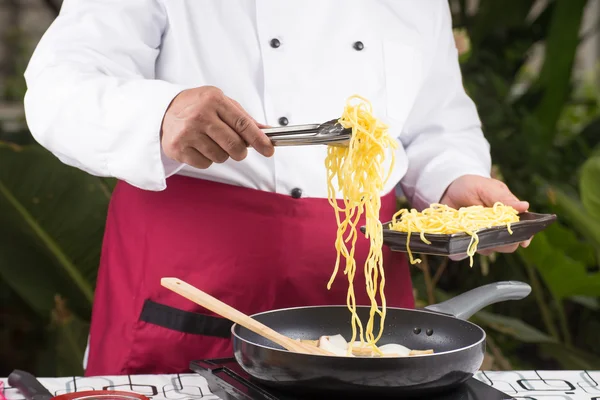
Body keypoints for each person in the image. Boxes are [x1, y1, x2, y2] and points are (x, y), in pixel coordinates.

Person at [23, 0, 531, 376]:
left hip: (362, 283)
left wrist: (455, 179)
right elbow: (59, 86)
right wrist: (160, 114)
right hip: (194, 275)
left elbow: (435, 119)